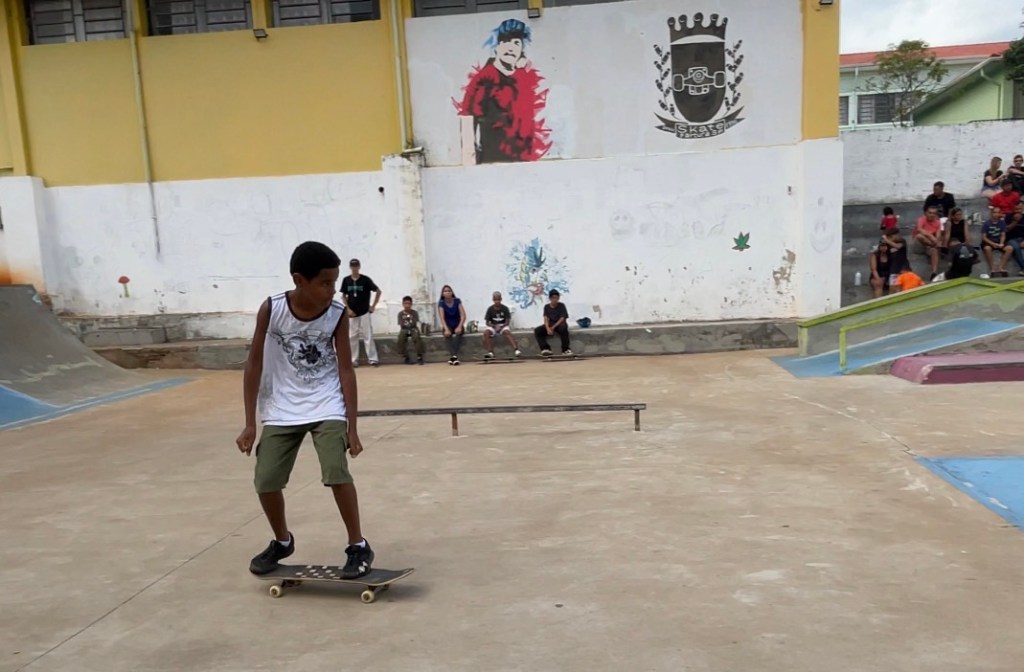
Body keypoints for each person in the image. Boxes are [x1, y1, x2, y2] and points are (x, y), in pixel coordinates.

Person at [235, 241, 374, 579]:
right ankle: (282, 541)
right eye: (325, 283)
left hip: (326, 402)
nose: (332, 290)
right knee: (266, 479)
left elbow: (345, 370)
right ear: (300, 280)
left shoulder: (337, 314)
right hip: (282, 407)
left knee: (335, 471)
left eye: (334, 282)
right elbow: (254, 362)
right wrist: (249, 423)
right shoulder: (272, 309)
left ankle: (358, 545)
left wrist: (352, 427)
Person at [340, 259, 382, 367]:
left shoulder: (365, 280)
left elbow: (378, 291)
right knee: (352, 337)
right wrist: (348, 308)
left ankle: (373, 359)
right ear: (350, 267)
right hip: (352, 313)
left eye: (356, 266)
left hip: (364, 311)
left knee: (367, 335)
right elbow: (343, 296)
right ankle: (353, 360)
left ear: (359, 267)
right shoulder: (346, 280)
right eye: (353, 266)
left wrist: (373, 306)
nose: (354, 268)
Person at [482, 291, 521, 359]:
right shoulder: (490, 309)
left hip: (503, 325)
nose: (497, 301)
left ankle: (516, 350)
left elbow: (507, 321)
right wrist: (493, 326)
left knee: (507, 332)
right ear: (493, 300)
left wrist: (501, 327)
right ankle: (490, 352)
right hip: (493, 326)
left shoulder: (505, 308)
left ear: (501, 299)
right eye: (495, 300)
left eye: (498, 299)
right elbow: (487, 322)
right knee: (486, 333)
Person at [534, 289, 572, 356]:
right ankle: (545, 348)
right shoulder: (546, 307)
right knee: (538, 330)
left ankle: (565, 349)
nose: (555, 300)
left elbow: (562, 318)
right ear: (550, 298)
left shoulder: (561, 306)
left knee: (564, 329)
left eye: (557, 298)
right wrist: (548, 328)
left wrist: (553, 327)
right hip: (550, 324)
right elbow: (545, 318)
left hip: (559, 324)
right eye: (553, 298)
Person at [437, 285, 467, 365]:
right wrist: (446, 328)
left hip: (457, 323)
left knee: (459, 334)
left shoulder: (457, 301)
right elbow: (442, 318)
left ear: (452, 292)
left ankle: (453, 357)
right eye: (445, 291)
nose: (447, 292)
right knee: (447, 335)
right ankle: (454, 356)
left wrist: (460, 326)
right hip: (448, 324)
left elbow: (463, 315)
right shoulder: (441, 303)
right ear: (443, 294)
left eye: (449, 291)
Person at [911, 206, 943, 280]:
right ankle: (933, 245)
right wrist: (932, 238)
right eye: (930, 213)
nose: (932, 215)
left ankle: (934, 273)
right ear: (926, 213)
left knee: (934, 251)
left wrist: (936, 240)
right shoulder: (922, 219)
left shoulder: (938, 223)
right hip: (919, 244)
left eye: (934, 213)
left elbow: (938, 235)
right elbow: (919, 229)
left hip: (929, 245)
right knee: (920, 236)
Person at [980, 209, 1012, 277]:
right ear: (991, 213)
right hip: (989, 241)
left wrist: (1001, 243)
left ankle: (1001, 267)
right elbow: (984, 237)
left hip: (998, 241)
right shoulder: (987, 223)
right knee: (987, 248)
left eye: (998, 212)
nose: (996, 214)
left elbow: (1003, 235)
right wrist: (992, 244)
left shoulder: (1002, 223)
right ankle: (993, 268)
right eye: (994, 212)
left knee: (1009, 248)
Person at [396, 296, 425, 365]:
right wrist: (407, 323)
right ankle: (406, 356)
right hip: (404, 329)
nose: (407, 305)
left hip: (413, 328)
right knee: (401, 339)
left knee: (417, 338)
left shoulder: (414, 313)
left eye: (409, 303)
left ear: (411, 304)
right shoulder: (400, 314)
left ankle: (419, 355)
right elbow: (401, 323)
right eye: (405, 303)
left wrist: (409, 318)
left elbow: (415, 322)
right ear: (403, 304)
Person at [1003, 203, 1024, 276]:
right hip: (1011, 239)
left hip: (1022, 239)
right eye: (1016, 209)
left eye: (1020, 209)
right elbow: (1006, 230)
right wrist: (1015, 221)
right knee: (1016, 247)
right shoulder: (1008, 217)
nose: (1018, 211)